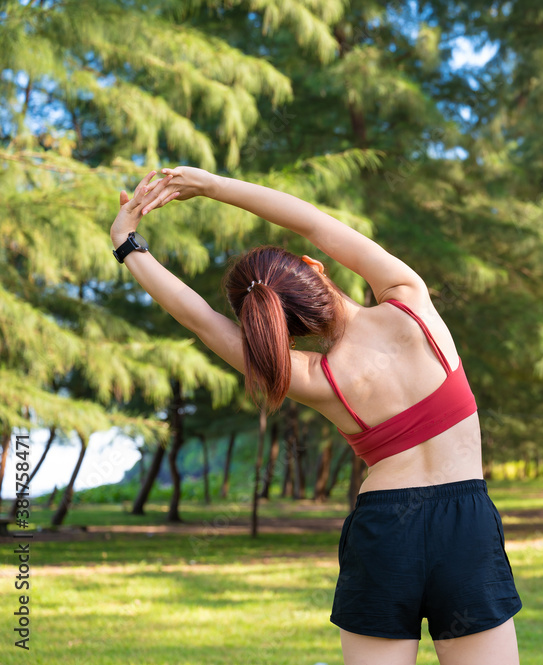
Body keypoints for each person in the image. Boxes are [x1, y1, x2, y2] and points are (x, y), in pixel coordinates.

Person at [110, 168, 522, 665]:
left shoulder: (311, 378)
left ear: (271, 331)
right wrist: (213, 185)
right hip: (466, 525)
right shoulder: (409, 298)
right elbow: (314, 223)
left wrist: (127, 245)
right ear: (314, 266)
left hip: (386, 529)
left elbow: (198, 318)